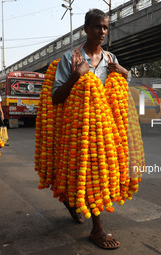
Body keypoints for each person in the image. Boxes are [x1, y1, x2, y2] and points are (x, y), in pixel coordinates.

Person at [52, 9, 128, 249]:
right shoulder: (71, 58)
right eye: (97, 27)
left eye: (105, 27)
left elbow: (119, 92)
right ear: (86, 29)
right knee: (82, 172)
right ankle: (97, 229)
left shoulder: (110, 59)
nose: (102, 32)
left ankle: (79, 209)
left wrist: (125, 74)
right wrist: (76, 76)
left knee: (97, 175)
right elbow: (56, 97)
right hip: (77, 129)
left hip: (105, 130)